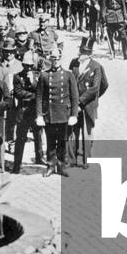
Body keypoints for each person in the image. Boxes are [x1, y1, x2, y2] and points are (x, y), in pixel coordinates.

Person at [36, 46, 79, 177]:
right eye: (53, 58)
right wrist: (39, 115)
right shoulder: (44, 75)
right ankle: (50, 165)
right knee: (50, 142)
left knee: (62, 142)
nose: (55, 61)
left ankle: (61, 166)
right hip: (49, 114)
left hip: (63, 114)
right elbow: (39, 97)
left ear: (61, 59)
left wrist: (74, 115)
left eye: (58, 58)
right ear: (50, 59)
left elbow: (74, 96)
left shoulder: (68, 74)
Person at [69, 38, 108, 168]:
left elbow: (97, 87)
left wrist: (89, 100)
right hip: (74, 105)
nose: (81, 54)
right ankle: (72, 159)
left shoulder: (96, 67)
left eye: (85, 52)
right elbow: (70, 81)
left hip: (88, 105)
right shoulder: (74, 63)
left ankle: (86, 160)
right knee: (73, 131)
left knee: (87, 132)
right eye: (81, 50)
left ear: (90, 54)